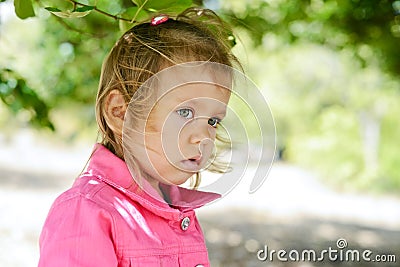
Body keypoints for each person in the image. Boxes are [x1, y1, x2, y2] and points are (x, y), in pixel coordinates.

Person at [38, 7, 240, 267]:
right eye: (185, 112)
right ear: (121, 113)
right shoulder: (85, 212)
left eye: (212, 121)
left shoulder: (173, 210)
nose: (203, 136)